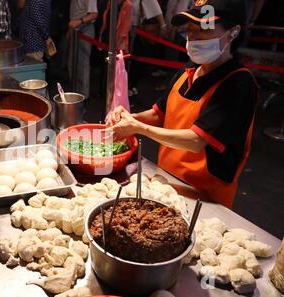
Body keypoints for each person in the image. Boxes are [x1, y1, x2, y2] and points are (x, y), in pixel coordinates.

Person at [104, 0, 259, 209]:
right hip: (166, 183)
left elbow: (196, 140)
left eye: (204, 30)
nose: (193, 39)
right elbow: (159, 114)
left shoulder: (239, 83)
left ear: (233, 32)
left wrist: (138, 128)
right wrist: (130, 118)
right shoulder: (190, 68)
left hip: (205, 197)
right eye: (191, 30)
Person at [67, 0, 98, 99]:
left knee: (83, 65)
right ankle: (75, 93)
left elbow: (94, 14)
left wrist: (79, 21)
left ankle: (83, 97)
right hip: (75, 29)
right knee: (72, 64)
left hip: (85, 29)